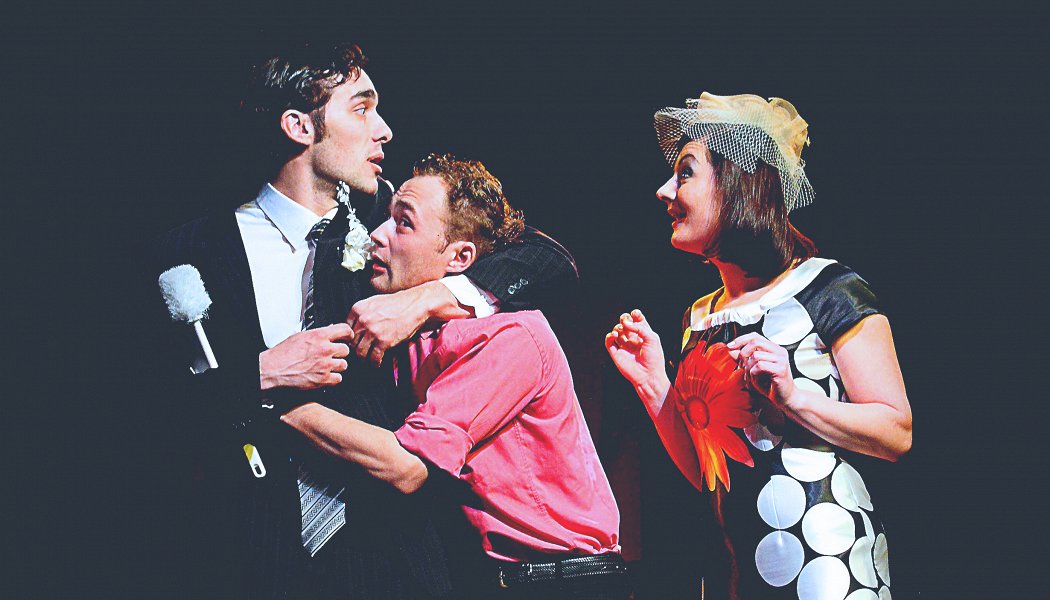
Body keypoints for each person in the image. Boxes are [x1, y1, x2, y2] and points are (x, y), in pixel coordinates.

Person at [152, 42, 578, 600]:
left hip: (393, 554)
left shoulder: (390, 223)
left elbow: (548, 261)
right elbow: (140, 409)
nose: (384, 130)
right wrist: (260, 375)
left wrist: (428, 298)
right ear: (299, 126)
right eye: (361, 108)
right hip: (250, 554)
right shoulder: (191, 251)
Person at [605, 93, 912, 599]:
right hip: (739, 570)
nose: (664, 191)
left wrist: (794, 398)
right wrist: (653, 382)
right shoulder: (698, 318)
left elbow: (896, 432)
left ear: (737, 184)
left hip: (825, 564)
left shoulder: (827, 289)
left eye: (685, 173)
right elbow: (710, 473)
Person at [282, 153, 629, 600]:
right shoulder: (410, 334)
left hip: (559, 582)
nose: (377, 235)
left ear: (461, 257)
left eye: (403, 224)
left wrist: (273, 401)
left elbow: (406, 467)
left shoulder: (509, 335)